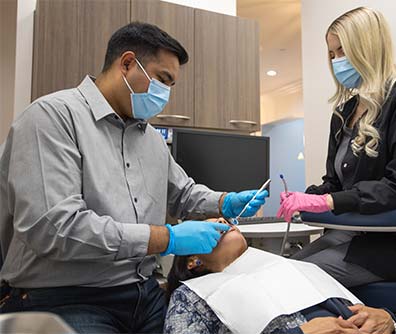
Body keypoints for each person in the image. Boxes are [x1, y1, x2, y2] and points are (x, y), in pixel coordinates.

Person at [0, 22, 267, 333]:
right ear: (127, 63)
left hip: (145, 293)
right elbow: (56, 229)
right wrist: (167, 238)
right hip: (66, 298)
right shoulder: (51, 119)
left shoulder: (150, 138)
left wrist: (226, 202)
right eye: (162, 80)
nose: (165, 95)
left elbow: (182, 194)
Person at [276, 7, 396, 287]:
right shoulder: (343, 113)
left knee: (293, 282)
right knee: (278, 272)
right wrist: (306, 197)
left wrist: (329, 202)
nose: (336, 62)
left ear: (367, 49)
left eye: (342, 52)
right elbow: (335, 183)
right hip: (352, 234)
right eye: (332, 55)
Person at [164, 219, 396, 334]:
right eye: (210, 226)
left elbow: (367, 314)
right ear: (193, 261)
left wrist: (389, 320)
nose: (223, 221)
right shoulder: (191, 298)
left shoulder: (291, 267)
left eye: (223, 219)